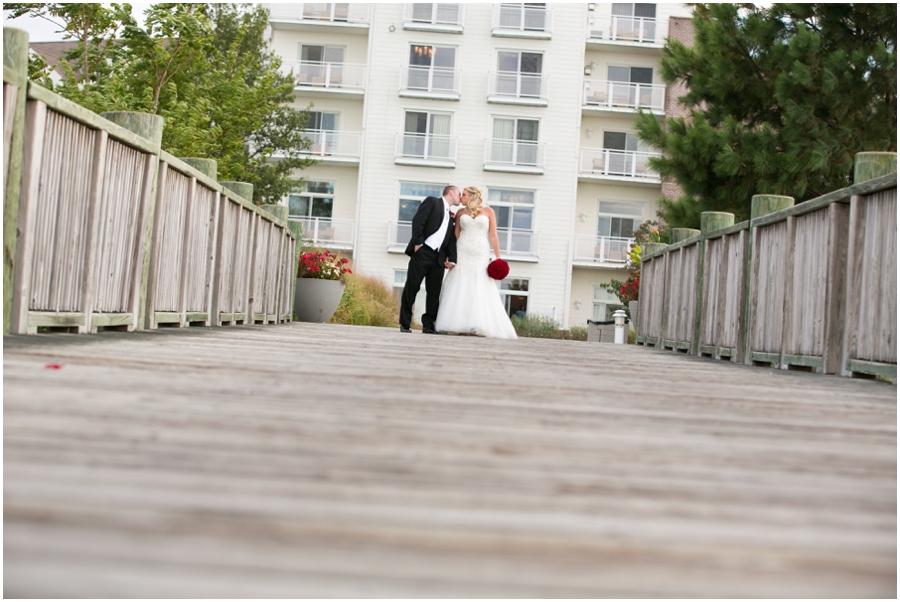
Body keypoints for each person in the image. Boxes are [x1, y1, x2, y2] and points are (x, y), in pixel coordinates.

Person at [434, 186, 518, 339]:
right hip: (462, 251)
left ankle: (478, 324)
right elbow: (455, 236)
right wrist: (449, 256)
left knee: (480, 284)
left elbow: (493, 235)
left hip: (480, 252)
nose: (461, 198)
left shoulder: (488, 212)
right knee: (459, 284)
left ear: (472, 196)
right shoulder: (460, 213)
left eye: (464, 195)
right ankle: (458, 323)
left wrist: (498, 257)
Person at [399, 185, 460, 334]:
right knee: (412, 287)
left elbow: (451, 239)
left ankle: (428, 325)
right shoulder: (433, 202)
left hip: (438, 258)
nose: (460, 196)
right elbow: (418, 221)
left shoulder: (452, 215)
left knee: (434, 292)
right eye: (459, 193)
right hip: (423, 252)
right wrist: (419, 243)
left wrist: (452, 258)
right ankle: (405, 323)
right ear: (451, 192)